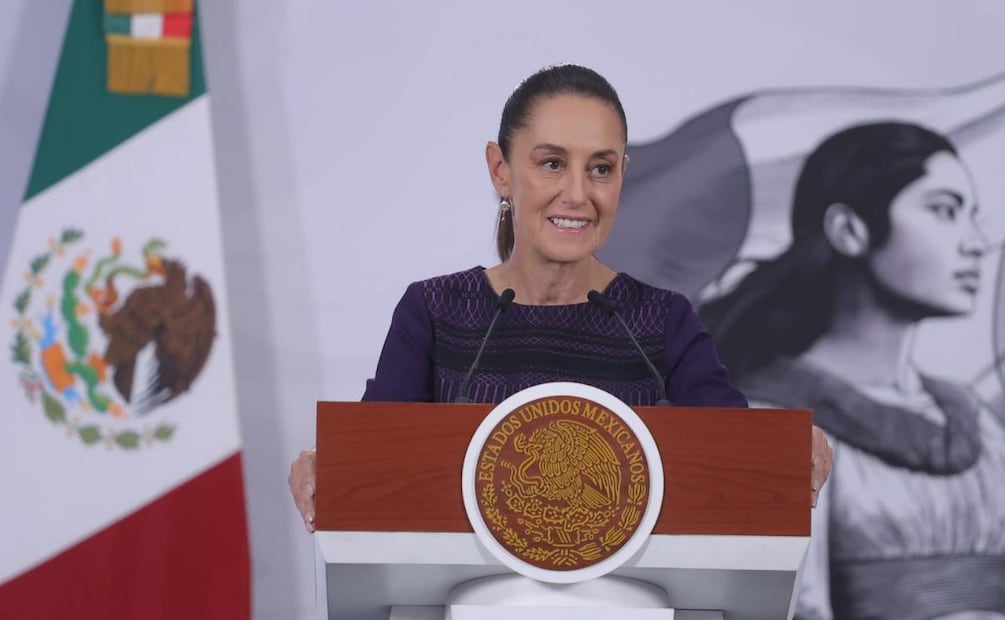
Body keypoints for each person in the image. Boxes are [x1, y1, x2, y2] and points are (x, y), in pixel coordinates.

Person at [289, 64, 833, 533]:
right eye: (551, 163)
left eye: (601, 168)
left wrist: (790, 451)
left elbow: (741, 462)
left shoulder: (662, 323)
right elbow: (372, 466)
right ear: (501, 171)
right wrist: (327, 468)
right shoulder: (435, 313)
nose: (578, 193)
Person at [699, 122, 1005, 619]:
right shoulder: (766, 425)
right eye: (945, 211)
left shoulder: (981, 425)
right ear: (849, 230)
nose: (974, 242)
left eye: (974, 217)